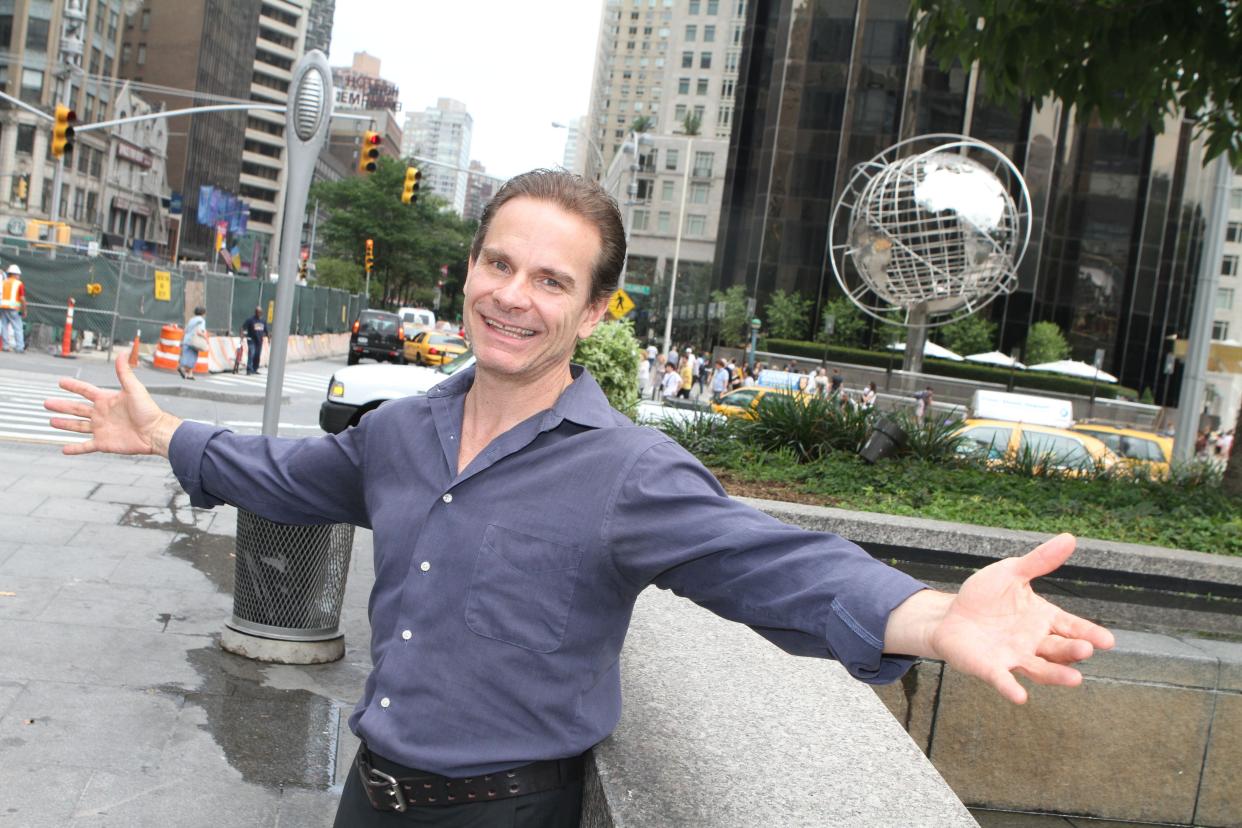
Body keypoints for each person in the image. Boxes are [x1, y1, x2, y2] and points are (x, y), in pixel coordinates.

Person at [46, 170, 1112, 828]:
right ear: (468, 271)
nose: (514, 296)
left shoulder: (629, 473)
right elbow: (282, 476)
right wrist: (166, 434)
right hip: (368, 798)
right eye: (498, 265)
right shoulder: (402, 434)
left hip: (508, 813)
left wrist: (930, 617)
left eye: (552, 281)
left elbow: (776, 566)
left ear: (598, 308)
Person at [0, 264, 27, 353]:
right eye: (18, 275)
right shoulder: (19, 284)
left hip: (3, 307)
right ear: (15, 274)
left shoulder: (3, 282)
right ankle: (20, 347)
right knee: (18, 328)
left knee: (4, 327)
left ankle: (5, 346)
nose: (19, 276)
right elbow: (22, 299)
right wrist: (24, 310)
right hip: (14, 308)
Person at [178, 306, 207, 380]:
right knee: (193, 358)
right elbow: (199, 332)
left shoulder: (191, 320)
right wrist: (205, 337)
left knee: (186, 356)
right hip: (194, 341)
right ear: (203, 313)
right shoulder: (201, 321)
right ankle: (182, 368)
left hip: (186, 340)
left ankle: (190, 374)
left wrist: (182, 340)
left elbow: (186, 330)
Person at [240, 306, 268, 375]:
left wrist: (268, 336)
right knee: (251, 354)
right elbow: (243, 327)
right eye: (257, 312)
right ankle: (249, 369)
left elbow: (266, 330)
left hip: (259, 341)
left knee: (257, 355)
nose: (259, 313)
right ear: (255, 312)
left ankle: (255, 369)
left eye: (260, 312)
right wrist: (242, 335)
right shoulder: (250, 320)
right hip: (251, 340)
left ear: (261, 313)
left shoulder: (263, 321)